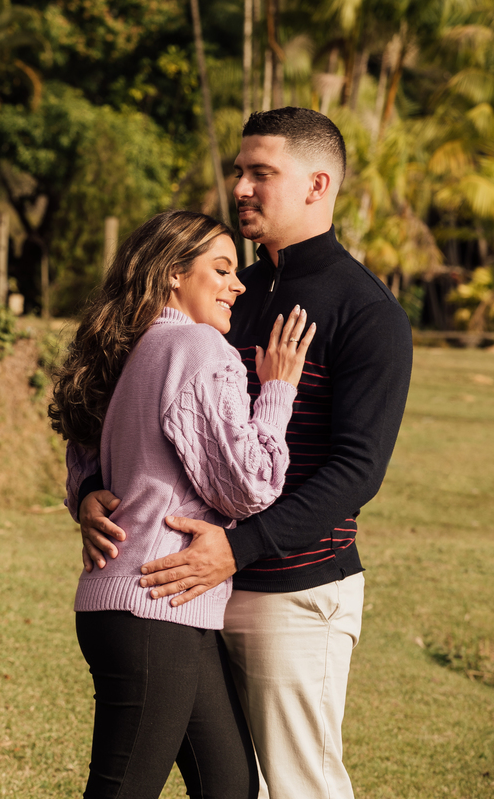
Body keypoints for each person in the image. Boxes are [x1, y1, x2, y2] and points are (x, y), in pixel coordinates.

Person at [72, 107, 414, 799]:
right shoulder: (226, 288)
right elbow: (117, 389)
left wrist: (239, 547)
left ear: (318, 185)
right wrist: (89, 486)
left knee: (297, 787)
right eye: (238, 171)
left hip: (293, 592)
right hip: (191, 591)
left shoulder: (366, 312)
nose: (241, 188)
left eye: (262, 173)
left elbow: (357, 471)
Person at [52, 209, 317, 798]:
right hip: (153, 606)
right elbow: (249, 486)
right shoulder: (198, 346)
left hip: (154, 608)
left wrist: (88, 495)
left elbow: (82, 456)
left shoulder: (128, 347)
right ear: (173, 274)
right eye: (221, 270)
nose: (238, 284)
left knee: (229, 785)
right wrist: (278, 390)